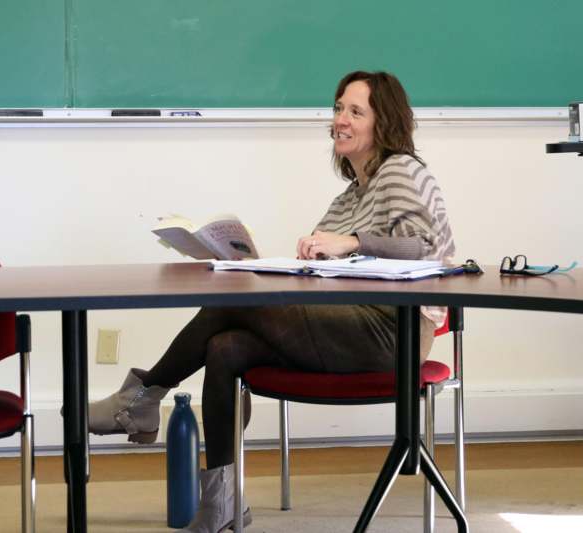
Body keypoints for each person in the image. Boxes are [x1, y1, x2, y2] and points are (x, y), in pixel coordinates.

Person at [88, 70, 455, 533]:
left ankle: (141, 397)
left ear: (385, 124)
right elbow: (326, 272)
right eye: (339, 107)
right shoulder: (350, 196)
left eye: (355, 111)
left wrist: (350, 242)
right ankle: (222, 502)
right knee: (225, 348)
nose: (340, 119)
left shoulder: (401, 170)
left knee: (238, 299)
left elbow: (424, 247)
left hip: (391, 334)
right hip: (344, 324)